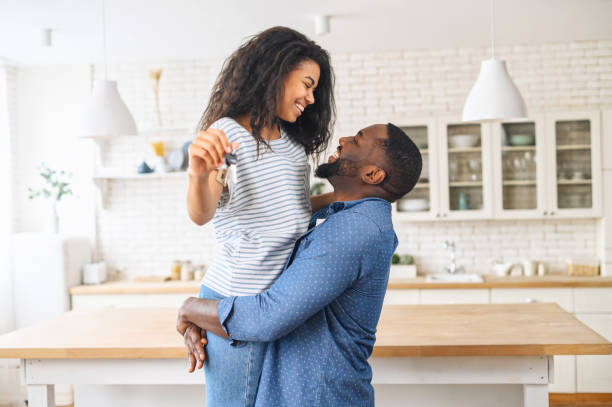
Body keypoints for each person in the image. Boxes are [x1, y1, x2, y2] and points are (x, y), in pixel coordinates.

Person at [178, 123, 423, 406]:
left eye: (358, 138)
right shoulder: (352, 215)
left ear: (372, 174)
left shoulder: (354, 230)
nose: (343, 139)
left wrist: (191, 309)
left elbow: (268, 317)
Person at [184, 26, 336, 406]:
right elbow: (202, 212)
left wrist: (347, 199)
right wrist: (198, 174)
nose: (311, 98)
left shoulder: (291, 143)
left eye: (315, 89)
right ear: (277, 71)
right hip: (238, 301)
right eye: (306, 83)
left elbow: (293, 215)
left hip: (273, 306)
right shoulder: (228, 135)